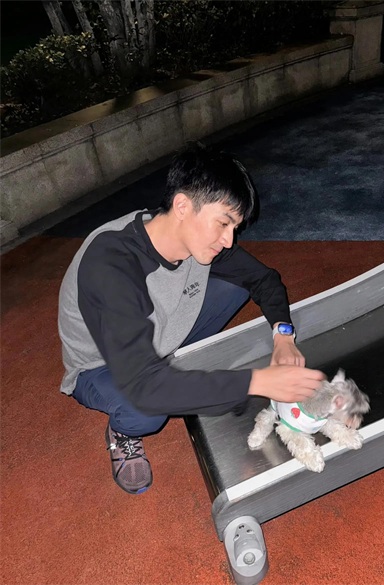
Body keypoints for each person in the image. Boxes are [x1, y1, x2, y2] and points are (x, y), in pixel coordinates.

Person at [58, 142, 325, 495]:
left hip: (160, 334)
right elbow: (146, 389)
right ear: (183, 205)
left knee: (236, 287)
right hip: (100, 366)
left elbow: (264, 279)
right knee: (147, 409)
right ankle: (122, 431)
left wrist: (284, 335)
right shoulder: (111, 263)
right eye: (224, 223)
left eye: (234, 228)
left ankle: (173, 366)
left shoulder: (193, 236)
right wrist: (258, 382)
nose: (228, 241)